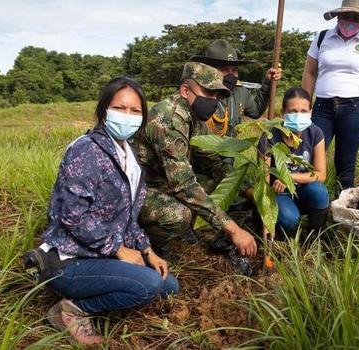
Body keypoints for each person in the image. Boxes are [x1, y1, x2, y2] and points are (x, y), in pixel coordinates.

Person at [37, 77, 179, 345]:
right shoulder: (86, 151)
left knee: (169, 286)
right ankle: (71, 310)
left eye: (135, 111)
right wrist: (119, 250)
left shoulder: (129, 155)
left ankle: (109, 281)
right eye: (120, 108)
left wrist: (147, 250)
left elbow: (127, 217)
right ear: (104, 110)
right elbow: (73, 215)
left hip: (98, 254)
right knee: (146, 286)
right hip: (71, 259)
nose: (127, 116)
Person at [132, 62, 258, 271]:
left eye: (217, 96)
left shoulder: (192, 115)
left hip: (164, 181)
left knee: (212, 184)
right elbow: (184, 186)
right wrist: (234, 230)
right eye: (208, 92)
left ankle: (178, 232)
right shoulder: (169, 119)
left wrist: (247, 189)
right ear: (185, 90)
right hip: (139, 190)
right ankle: (146, 246)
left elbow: (211, 161)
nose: (213, 101)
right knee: (178, 214)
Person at [301, 0, 359, 190]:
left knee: (346, 161)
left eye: (356, 18)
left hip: (355, 108)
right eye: (346, 16)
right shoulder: (322, 37)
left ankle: (341, 206)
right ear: (338, 16)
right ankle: (310, 202)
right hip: (322, 107)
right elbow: (309, 73)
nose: (350, 20)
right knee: (311, 154)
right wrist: (305, 107)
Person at [267, 87, 330, 238]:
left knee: (320, 192)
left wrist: (290, 177)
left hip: (304, 189)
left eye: (303, 111)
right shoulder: (270, 136)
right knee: (290, 219)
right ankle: (287, 234)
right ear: (283, 113)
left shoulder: (315, 133)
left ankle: (315, 235)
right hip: (280, 193)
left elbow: (321, 175)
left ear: (310, 112)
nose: (298, 115)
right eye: (293, 111)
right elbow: (264, 179)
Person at [190, 39, 282, 138]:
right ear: (210, 70)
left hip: (232, 151)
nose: (231, 75)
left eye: (234, 70)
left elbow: (256, 112)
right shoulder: (197, 94)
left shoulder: (241, 92)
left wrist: (268, 83)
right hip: (204, 151)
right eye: (224, 69)